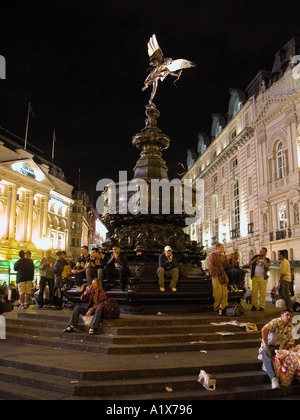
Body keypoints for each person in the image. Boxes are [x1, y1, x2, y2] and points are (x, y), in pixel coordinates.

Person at [258, 309, 295, 389]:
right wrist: (266, 345)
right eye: (287, 315)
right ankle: (273, 378)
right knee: (265, 353)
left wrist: (283, 350)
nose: (289, 317)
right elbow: (264, 329)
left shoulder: (291, 327)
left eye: (290, 316)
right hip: (270, 346)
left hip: (280, 348)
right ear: (282, 316)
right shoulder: (276, 322)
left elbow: (291, 342)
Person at [207, 243, 229, 315]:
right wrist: (213, 274)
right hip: (216, 275)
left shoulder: (222, 256)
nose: (223, 249)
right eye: (222, 247)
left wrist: (227, 260)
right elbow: (210, 265)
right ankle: (216, 307)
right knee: (218, 293)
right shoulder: (212, 256)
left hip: (222, 275)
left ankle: (223, 307)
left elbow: (225, 265)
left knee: (224, 292)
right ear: (218, 248)